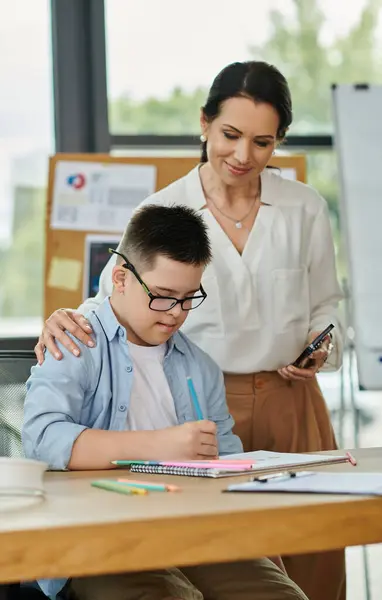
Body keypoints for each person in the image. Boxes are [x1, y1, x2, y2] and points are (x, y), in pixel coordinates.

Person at [35, 61, 345, 600]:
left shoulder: (304, 208)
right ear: (204, 124)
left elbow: (328, 307)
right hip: (195, 410)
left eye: (263, 142)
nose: (243, 155)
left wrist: (325, 345)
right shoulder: (164, 210)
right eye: (230, 135)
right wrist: (68, 320)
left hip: (286, 399)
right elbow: (117, 295)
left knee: (308, 562)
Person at [23, 205, 308, 600]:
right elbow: (42, 439)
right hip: (98, 539)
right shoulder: (73, 343)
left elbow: (231, 471)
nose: (176, 313)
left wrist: (261, 548)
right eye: (163, 296)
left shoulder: (200, 367)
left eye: (190, 297)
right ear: (120, 278)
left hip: (197, 532)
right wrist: (162, 445)